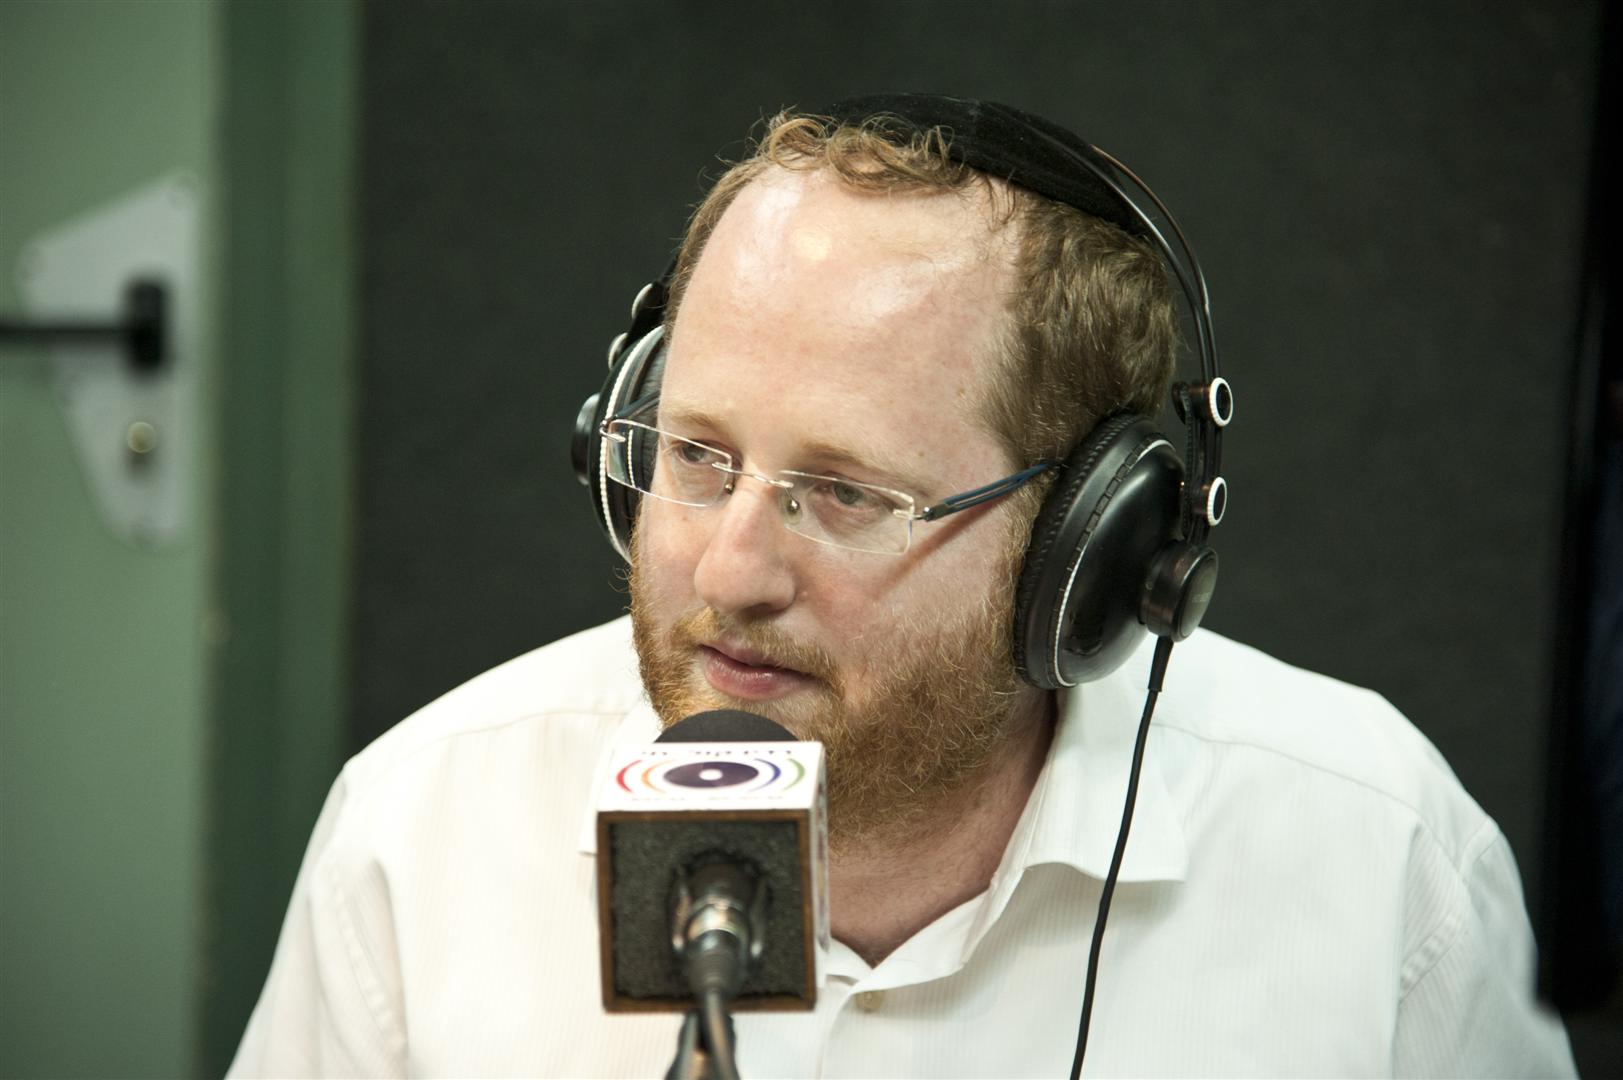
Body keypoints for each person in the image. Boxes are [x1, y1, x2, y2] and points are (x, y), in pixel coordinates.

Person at [229, 95, 1575, 1077]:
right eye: (695, 456)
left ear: (1085, 549)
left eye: (846, 495)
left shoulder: (1379, 865)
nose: (730, 569)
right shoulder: (421, 835)